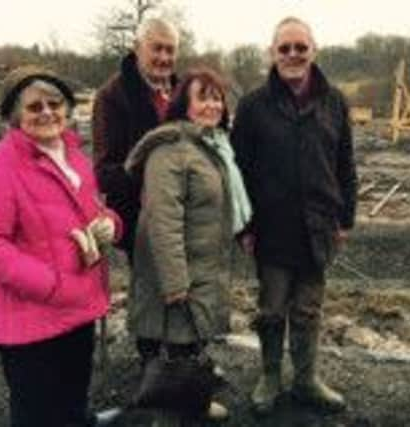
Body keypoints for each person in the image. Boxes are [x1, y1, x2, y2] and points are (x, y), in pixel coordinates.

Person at [0, 65, 122, 427]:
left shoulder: (75, 158)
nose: (47, 112)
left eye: (55, 103)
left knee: (72, 392)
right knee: (36, 411)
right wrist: (52, 284)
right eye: (34, 107)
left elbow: (93, 209)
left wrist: (110, 224)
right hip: (32, 317)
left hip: (77, 306)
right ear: (14, 115)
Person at [231, 17, 357, 414]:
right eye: (284, 48)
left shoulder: (334, 101)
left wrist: (346, 219)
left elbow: (346, 164)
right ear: (272, 53)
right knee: (271, 309)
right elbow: (239, 170)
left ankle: (305, 380)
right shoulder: (253, 105)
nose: (292, 55)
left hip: (319, 225)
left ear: (313, 51)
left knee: (308, 309)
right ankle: (270, 376)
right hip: (271, 228)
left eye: (300, 47)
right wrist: (245, 226)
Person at [125, 66, 250, 424]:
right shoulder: (170, 151)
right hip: (180, 276)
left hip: (203, 268)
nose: (212, 105)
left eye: (217, 98)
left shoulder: (209, 145)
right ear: (184, 105)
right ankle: (169, 417)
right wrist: (175, 282)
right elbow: (162, 222)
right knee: (175, 353)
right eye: (203, 98)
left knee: (191, 346)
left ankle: (193, 404)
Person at [92, 17, 179, 261]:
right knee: (151, 293)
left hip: (185, 216)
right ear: (137, 48)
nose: (164, 57)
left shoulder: (183, 91)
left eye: (170, 50)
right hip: (142, 220)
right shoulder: (112, 97)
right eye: (157, 48)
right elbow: (104, 173)